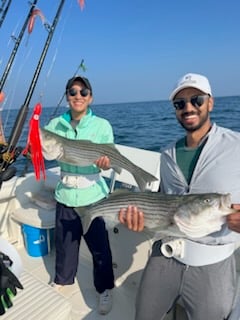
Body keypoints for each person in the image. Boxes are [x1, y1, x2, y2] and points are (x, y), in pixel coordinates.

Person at [119, 73, 240, 320]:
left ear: (210, 102)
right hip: (165, 252)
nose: (188, 108)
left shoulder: (236, 145)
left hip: (212, 261)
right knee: (143, 315)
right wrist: (141, 222)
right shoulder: (167, 154)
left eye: (196, 99)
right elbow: (164, 202)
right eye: (179, 104)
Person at [42, 75, 115, 315]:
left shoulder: (102, 126)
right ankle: (63, 281)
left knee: (100, 248)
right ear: (67, 97)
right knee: (65, 245)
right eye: (72, 92)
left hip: (93, 195)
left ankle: (104, 289)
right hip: (65, 194)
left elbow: (110, 160)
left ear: (90, 97)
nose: (78, 96)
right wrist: (35, 144)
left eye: (83, 92)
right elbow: (46, 150)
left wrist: (106, 164)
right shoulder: (54, 126)